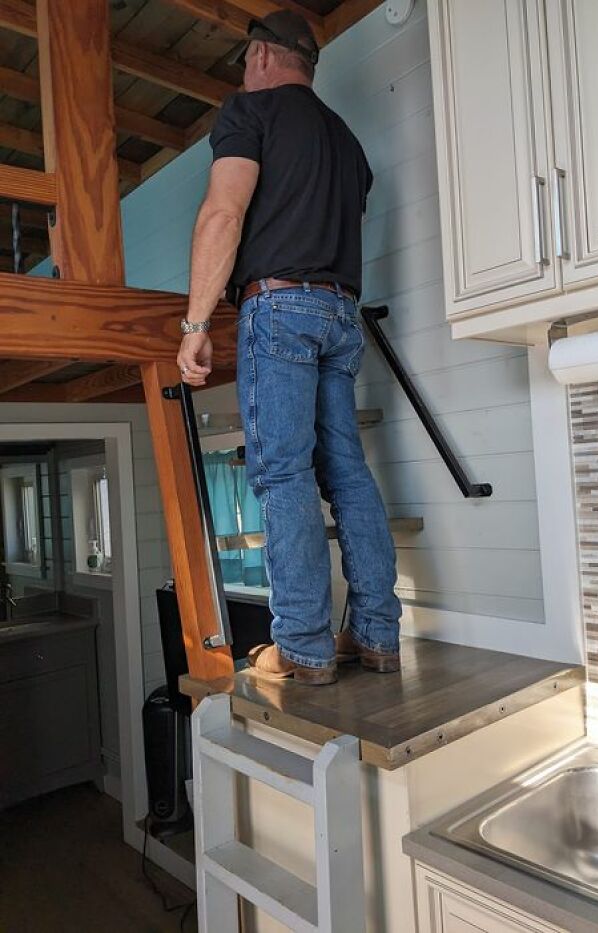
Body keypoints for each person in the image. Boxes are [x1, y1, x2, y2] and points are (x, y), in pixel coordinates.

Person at [176, 10, 402, 685]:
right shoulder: (348, 145)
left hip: (279, 308)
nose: (245, 72)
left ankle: (302, 644)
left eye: (248, 59)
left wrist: (193, 326)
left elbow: (224, 212)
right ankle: (377, 634)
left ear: (267, 57)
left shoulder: (252, 110)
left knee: (283, 473)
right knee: (348, 474)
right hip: (341, 312)